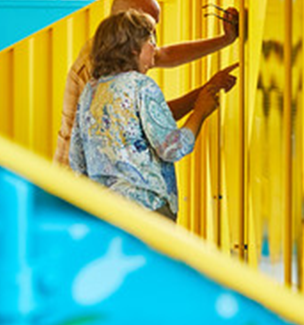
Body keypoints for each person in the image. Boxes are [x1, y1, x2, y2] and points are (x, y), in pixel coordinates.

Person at [68, 11, 236, 221]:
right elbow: (172, 148)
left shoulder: (90, 92)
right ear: (132, 48)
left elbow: (76, 160)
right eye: (150, 40)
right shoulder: (141, 85)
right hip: (148, 211)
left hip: (104, 213)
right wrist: (201, 112)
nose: (155, 48)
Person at [54, 0, 239, 165]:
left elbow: (165, 55)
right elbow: (168, 141)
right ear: (128, 26)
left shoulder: (115, 53)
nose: (154, 42)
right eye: (149, 33)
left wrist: (225, 40)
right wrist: (201, 104)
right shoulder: (108, 74)